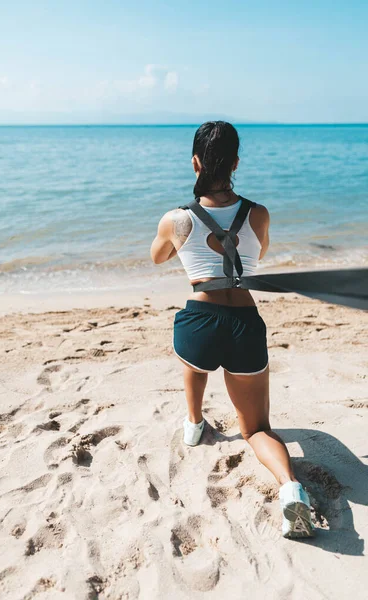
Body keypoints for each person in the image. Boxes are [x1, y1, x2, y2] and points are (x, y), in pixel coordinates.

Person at [150, 121, 314, 539]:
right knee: (257, 428)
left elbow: (158, 257)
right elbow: (258, 251)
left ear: (194, 162)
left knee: (193, 355)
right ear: (237, 163)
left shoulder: (177, 219)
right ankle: (291, 489)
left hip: (199, 320)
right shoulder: (258, 213)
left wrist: (183, 238)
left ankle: (193, 424)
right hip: (244, 322)